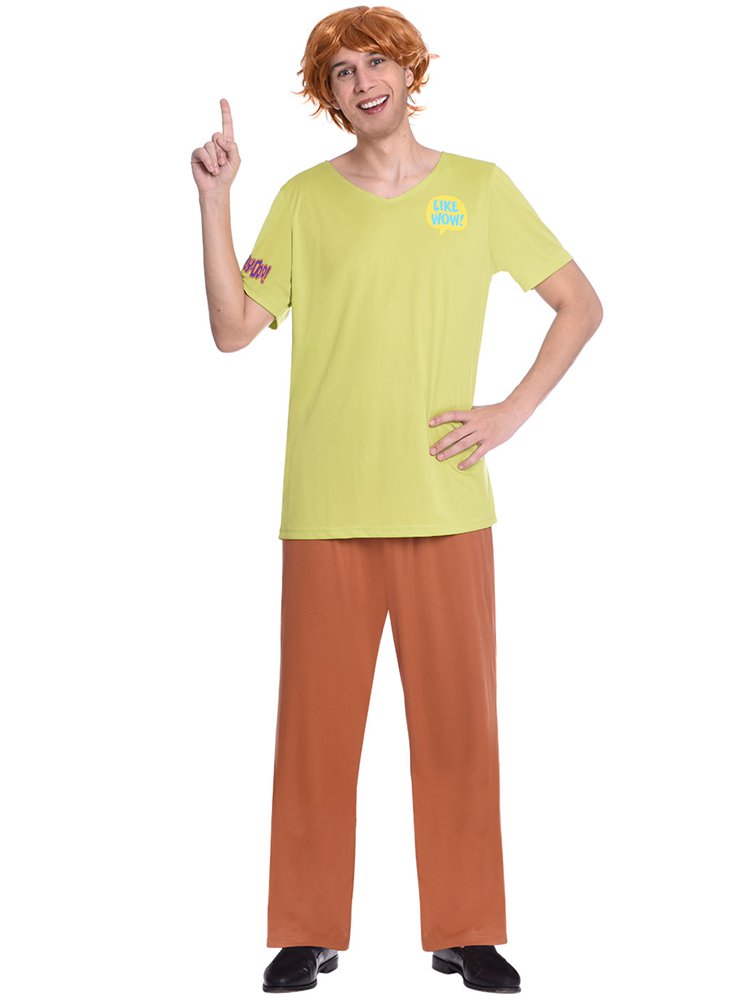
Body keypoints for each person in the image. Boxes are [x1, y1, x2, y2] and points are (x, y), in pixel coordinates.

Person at [191, 5, 602, 994]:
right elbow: (234, 329)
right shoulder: (302, 200)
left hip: (445, 504)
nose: (363, 81)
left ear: (410, 72)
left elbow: (580, 304)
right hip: (327, 507)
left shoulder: (479, 189)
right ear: (328, 99)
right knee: (315, 731)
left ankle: (467, 929)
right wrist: (216, 200)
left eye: (376, 62)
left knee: (459, 727)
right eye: (341, 72)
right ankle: (305, 930)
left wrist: (509, 412)